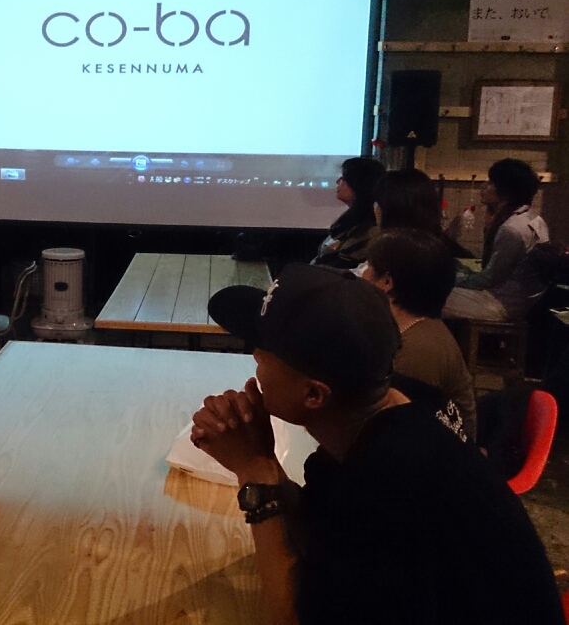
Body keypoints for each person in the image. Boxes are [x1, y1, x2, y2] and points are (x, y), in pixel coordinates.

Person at [191, 263, 563, 624]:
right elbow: (322, 530)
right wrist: (263, 461)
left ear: (314, 394)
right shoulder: (396, 404)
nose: (255, 355)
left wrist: (254, 472)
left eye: (264, 349)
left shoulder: (386, 482)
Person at [363, 228, 476, 437]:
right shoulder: (415, 329)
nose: (362, 275)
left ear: (387, 282)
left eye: (368, 266)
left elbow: (391, 432)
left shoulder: (416, 350)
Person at [444, 158, 549, 321]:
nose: (483, 186)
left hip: (501, 303)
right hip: (521, 301)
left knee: (424, 296)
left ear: (506, 192)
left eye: (491, 183)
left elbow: (490, 279)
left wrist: (451, 281)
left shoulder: (511, 229)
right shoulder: (534, 219)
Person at [311, 157, 385, 269]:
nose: (338, 182)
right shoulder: (349, 220)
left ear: (358, 185)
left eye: (343, 178)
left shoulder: (369, 231)